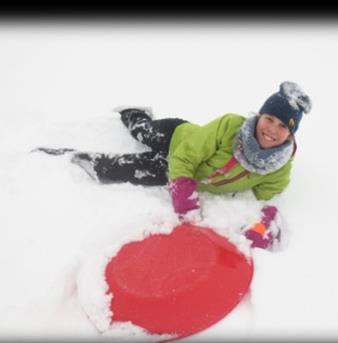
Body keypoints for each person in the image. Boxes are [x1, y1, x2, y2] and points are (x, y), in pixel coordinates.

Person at [35, 81, 312, 250]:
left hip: (168, 165)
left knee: (116, 170)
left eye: (282, 126)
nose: (271, 130)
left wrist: (263, 222)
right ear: (260, 115)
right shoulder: (230, 127)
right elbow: (185, 158)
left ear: (291, 134)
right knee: (142, 132)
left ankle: (78, 159)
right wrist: (183, 191)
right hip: (176, 138)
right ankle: (133, 112)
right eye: (269, 119)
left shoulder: (279, 167)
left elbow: (259, 198)